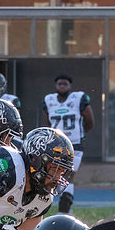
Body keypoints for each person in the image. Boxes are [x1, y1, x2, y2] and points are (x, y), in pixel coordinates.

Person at [41, 74, 95, 214]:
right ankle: (61, 209)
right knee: (53, 176)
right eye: (60, 84)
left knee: (67, 176)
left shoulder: (78, 99)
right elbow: (48, 123)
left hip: (75, 144)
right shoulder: (49, 100)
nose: (62, 86)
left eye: (65, 84)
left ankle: (64, 210)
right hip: (56, 145)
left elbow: (90, 122)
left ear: (70, 86)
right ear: (56, 86)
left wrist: (79, 135)